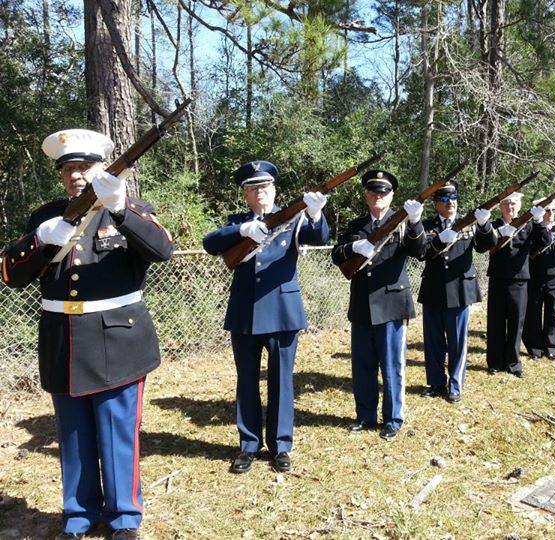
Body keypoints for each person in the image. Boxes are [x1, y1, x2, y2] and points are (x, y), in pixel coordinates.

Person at [1, 129, 174, 540]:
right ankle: (78, 514)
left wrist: (120, 208)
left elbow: (162, 249)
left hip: (118, 338)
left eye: (85, 167)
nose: (77, 175)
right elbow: (11, 274)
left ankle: (123, 517)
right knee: (73, 433)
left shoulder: (127, 208)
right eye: (69, 169)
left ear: (103, 169)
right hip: (63, 337)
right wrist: (39, 240)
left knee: (117, 432)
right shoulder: (47, 216)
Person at [202, 161, 329, 474]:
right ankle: (248, 445)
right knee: (246, 381)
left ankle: (280, 446)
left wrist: (315, 213)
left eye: (266, 186)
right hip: (245, 314)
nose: (261, 192)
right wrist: (241, 230)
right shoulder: (237, 222)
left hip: (283, 314)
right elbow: (210, 242)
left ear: (274, 189)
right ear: (245, 194)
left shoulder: (293, 219)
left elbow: (319, 235)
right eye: (254, 188)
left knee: (282, 382)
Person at [331, 169, 425, 440]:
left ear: (391, 195)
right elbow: (338, 254)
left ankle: (393, 418)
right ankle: (365, 415)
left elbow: (419, 252)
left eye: (383, 192)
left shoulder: (404, 223)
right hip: (362, 304)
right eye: (373, 191)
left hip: (392, 303)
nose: (378, 195)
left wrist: (416, 220)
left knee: (392, 365)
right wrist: (354, 248)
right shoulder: (356, 226)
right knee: (362, 365)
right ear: (366, 195)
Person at [416, 180, 493, 403]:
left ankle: (455, 386)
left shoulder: (468, 223)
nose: (450, 202)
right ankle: (436, 383)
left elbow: (485, 245)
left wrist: (485, 224)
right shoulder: (427, 225)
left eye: (453, 198)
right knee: (433, 341)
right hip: (434, 288)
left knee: (458, 342)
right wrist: (439, 240)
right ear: (435, 203)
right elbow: (421, 252)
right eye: (444, 198)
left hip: (460, 289)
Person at [477, 192, 551, 378]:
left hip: (520, 280)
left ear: (519, 206)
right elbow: (480, 246)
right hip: (498, 279)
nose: (510, 207)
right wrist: (491, 230)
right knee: (495, 323)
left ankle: (513, 362)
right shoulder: (493, 225)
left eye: (514, 204)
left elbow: (545, 241)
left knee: (516, 323)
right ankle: (494, 362)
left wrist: (540, 220)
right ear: (501, 207)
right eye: (506, 204)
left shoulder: (529, 224)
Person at [521, 198, 555, 360]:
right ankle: (534, 348)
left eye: (553, 210)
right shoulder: (531, 228)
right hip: (534, 276)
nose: (551, 213)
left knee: (553, 313)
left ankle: (551, 346)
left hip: (554, 278)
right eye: (547, 210)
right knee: (533, 314)